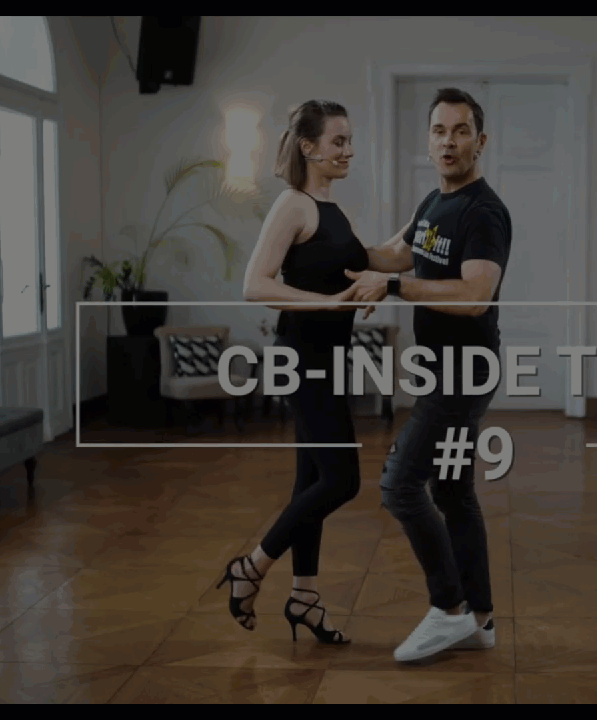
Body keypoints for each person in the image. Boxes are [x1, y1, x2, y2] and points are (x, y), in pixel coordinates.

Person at [344, 87, 512, 662]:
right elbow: (393, 253)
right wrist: (328, 246)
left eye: (461, 131)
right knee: (453, 490)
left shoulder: (483, 212)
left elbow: (475, 295)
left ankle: (449, 609)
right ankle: (481, 619)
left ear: (480, 141)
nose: (449, 141)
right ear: (428, 140)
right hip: (441, 368)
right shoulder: (433, 204)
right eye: (439, 130)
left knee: (400, 485)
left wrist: (391, 286)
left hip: (464, 373)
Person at [218, 99, 367, 645]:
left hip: (327, 359)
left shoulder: (331, 208)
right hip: (302, 358)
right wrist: (328, 304)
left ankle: (304, 597)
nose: (348, 151)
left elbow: (359, 262)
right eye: (338, 141)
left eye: (349, 140)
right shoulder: (293, 204)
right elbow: (254, 284)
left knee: (312, 479)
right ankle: (251, 567)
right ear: (309, 147)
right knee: (342, 480)